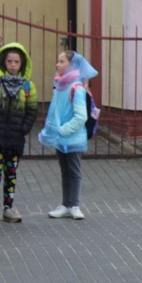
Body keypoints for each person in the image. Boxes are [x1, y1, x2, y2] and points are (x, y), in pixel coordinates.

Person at [0, 43, 39, 224]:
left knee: (11, 174)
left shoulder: (28, 87)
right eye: (9, 61)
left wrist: (24, 129)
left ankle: (8, 208)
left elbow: (32, 111)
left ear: (22, 64)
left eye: (16, 62)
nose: (12, 64)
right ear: (4, 62)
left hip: (15, 138)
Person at [38, 50, 97, 220]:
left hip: (72, 138)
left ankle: (75, 205)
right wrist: (50, 131)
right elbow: (54, 112)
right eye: (58, 61)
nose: (57, 65)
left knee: (74, 171)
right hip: (60, 138)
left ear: (71, 65)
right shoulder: (60, 86)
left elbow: (81, 117)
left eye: (62, 61)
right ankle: (66, 204)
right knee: (65, 171)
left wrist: (62, 130)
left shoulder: (76, 88)